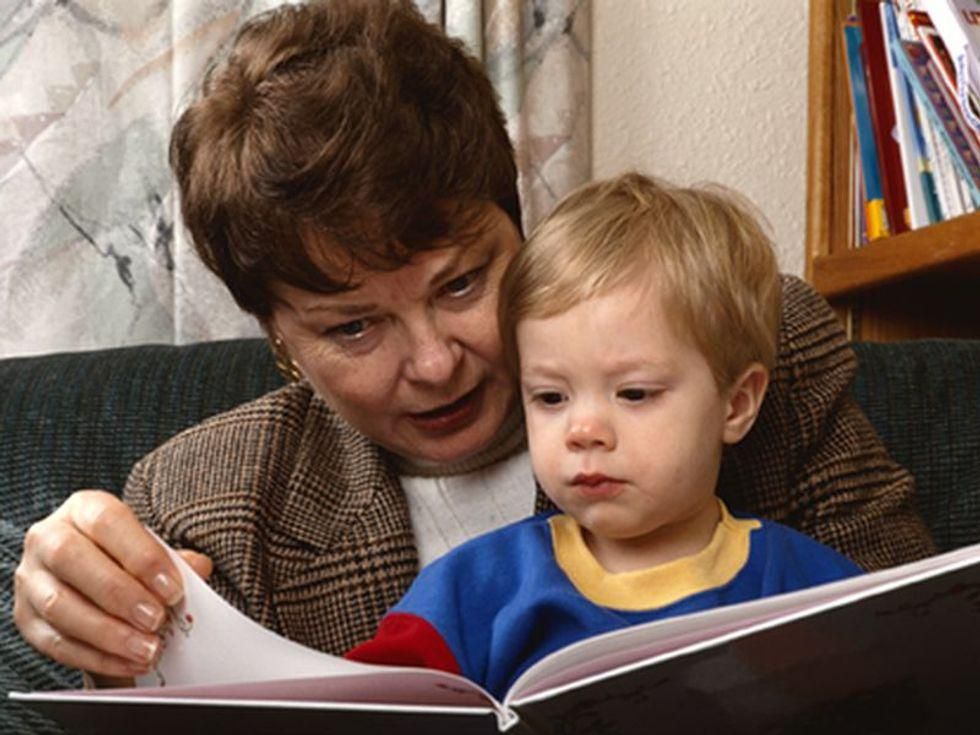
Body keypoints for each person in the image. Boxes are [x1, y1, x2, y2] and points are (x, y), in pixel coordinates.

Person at [13, 0, 932, 686]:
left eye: (460, 283)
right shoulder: (205, 504)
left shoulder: (746, 336)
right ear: (280, 339)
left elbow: (921, 644)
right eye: (353, 326)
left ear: (518, 225)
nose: (436, 362)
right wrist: (110, 645)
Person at [344, 173, 863, 698]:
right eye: (551, 398)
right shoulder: (475, 586)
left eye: (634, 393)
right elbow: (357, 707)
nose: (583, 431)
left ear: (737, 404)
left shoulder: (808, 583)